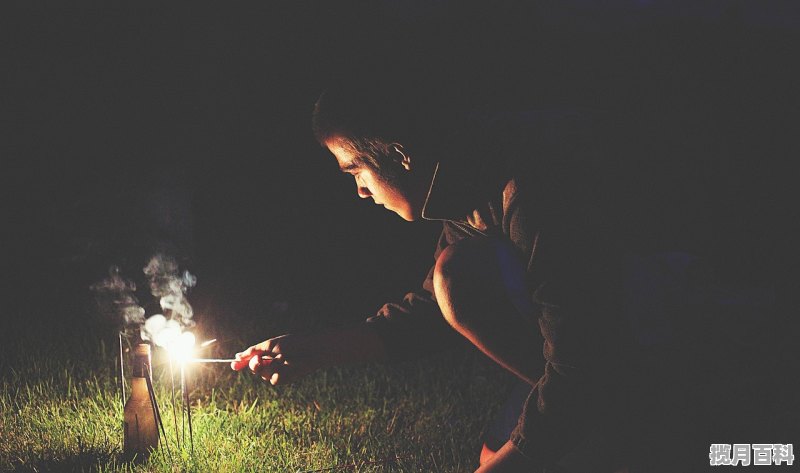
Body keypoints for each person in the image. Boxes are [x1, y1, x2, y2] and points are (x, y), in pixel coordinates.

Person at [231, 79, 793, 472]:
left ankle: (688, 428)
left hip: (702, 320)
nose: (358, 190)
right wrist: (315, 350)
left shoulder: (533, 186)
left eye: (356, 169)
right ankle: (613, 427)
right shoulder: (464, 181)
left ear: (399, 153)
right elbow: (434, 307)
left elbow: (584, 354)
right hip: (625, 342)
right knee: (495, 426)